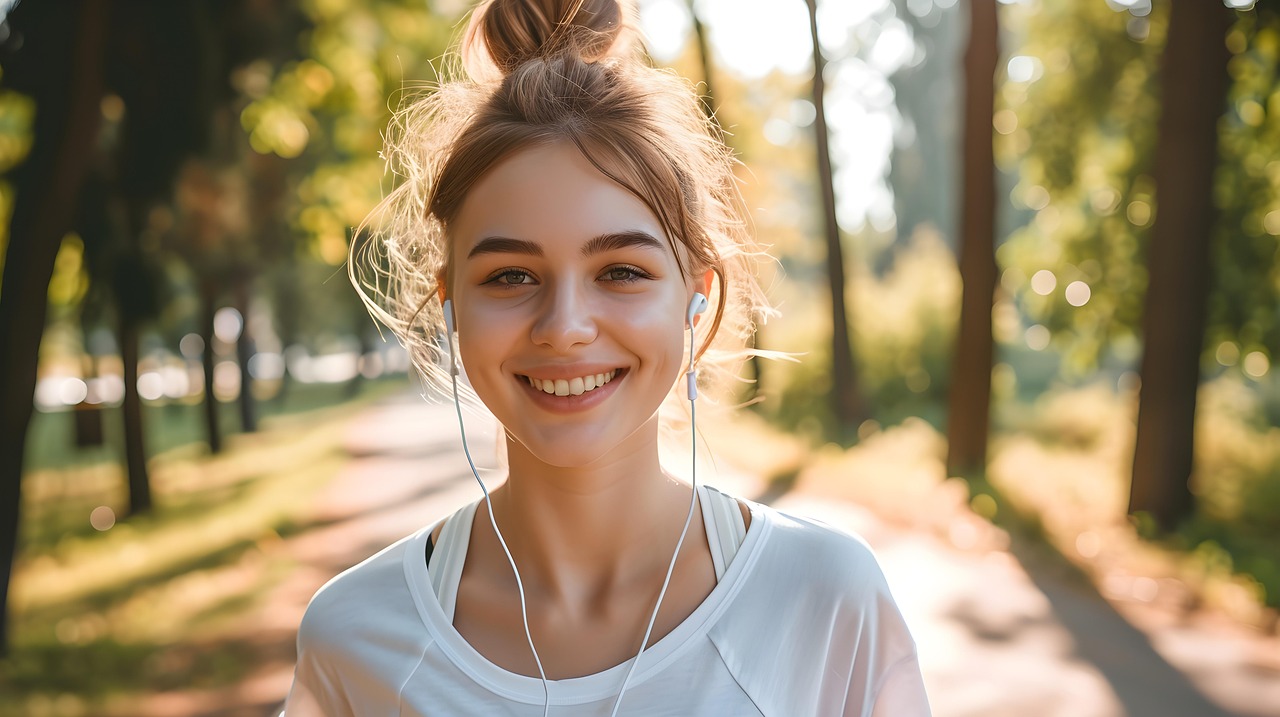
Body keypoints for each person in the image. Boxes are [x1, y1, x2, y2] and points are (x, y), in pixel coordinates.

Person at [283, 0, 931, 714]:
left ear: (695, 292)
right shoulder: (356, 641)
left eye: (621, 270)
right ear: (450, 301)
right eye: (510, 276)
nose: (564, 328)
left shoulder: (825, 602)